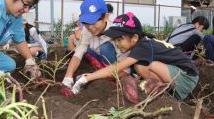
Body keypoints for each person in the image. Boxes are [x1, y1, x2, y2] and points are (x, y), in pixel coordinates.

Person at [71, 12, 199, 101]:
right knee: (141, 66)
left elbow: (115, 68)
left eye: (119, 39)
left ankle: (163, 92)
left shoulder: (142, 47)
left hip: (186, 77)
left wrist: (87, 78)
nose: (116, 43)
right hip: (179, 73)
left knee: (140, 66)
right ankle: (163, 89)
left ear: (135, 38)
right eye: (114, 39)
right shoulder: (141, 45)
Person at [62, 0, 121, 89]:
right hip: (99, 61)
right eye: (86, 23)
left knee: (104, 48)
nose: (90, 27)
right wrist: (68, 77)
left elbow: (124, 64)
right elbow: (78, 54)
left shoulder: (116, 32)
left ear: (106, 17)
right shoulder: (86, 30)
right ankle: (98, 71)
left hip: (117, 67)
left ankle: (110, 77)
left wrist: (89, 77)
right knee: (84, 51)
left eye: (93, 22)